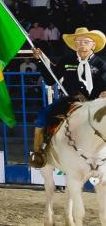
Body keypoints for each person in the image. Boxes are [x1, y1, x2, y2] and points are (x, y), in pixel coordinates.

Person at [30, 28, 106, 167]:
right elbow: (50, 80)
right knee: (42, 115)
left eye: (85, 41)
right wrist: (40, 62)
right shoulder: (66, 60)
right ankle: (38, 153)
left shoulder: (101, 64)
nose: (81, 43)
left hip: (95, 103)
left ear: (93, 45)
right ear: (74, 45)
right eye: (78, 41)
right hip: (70, 102)